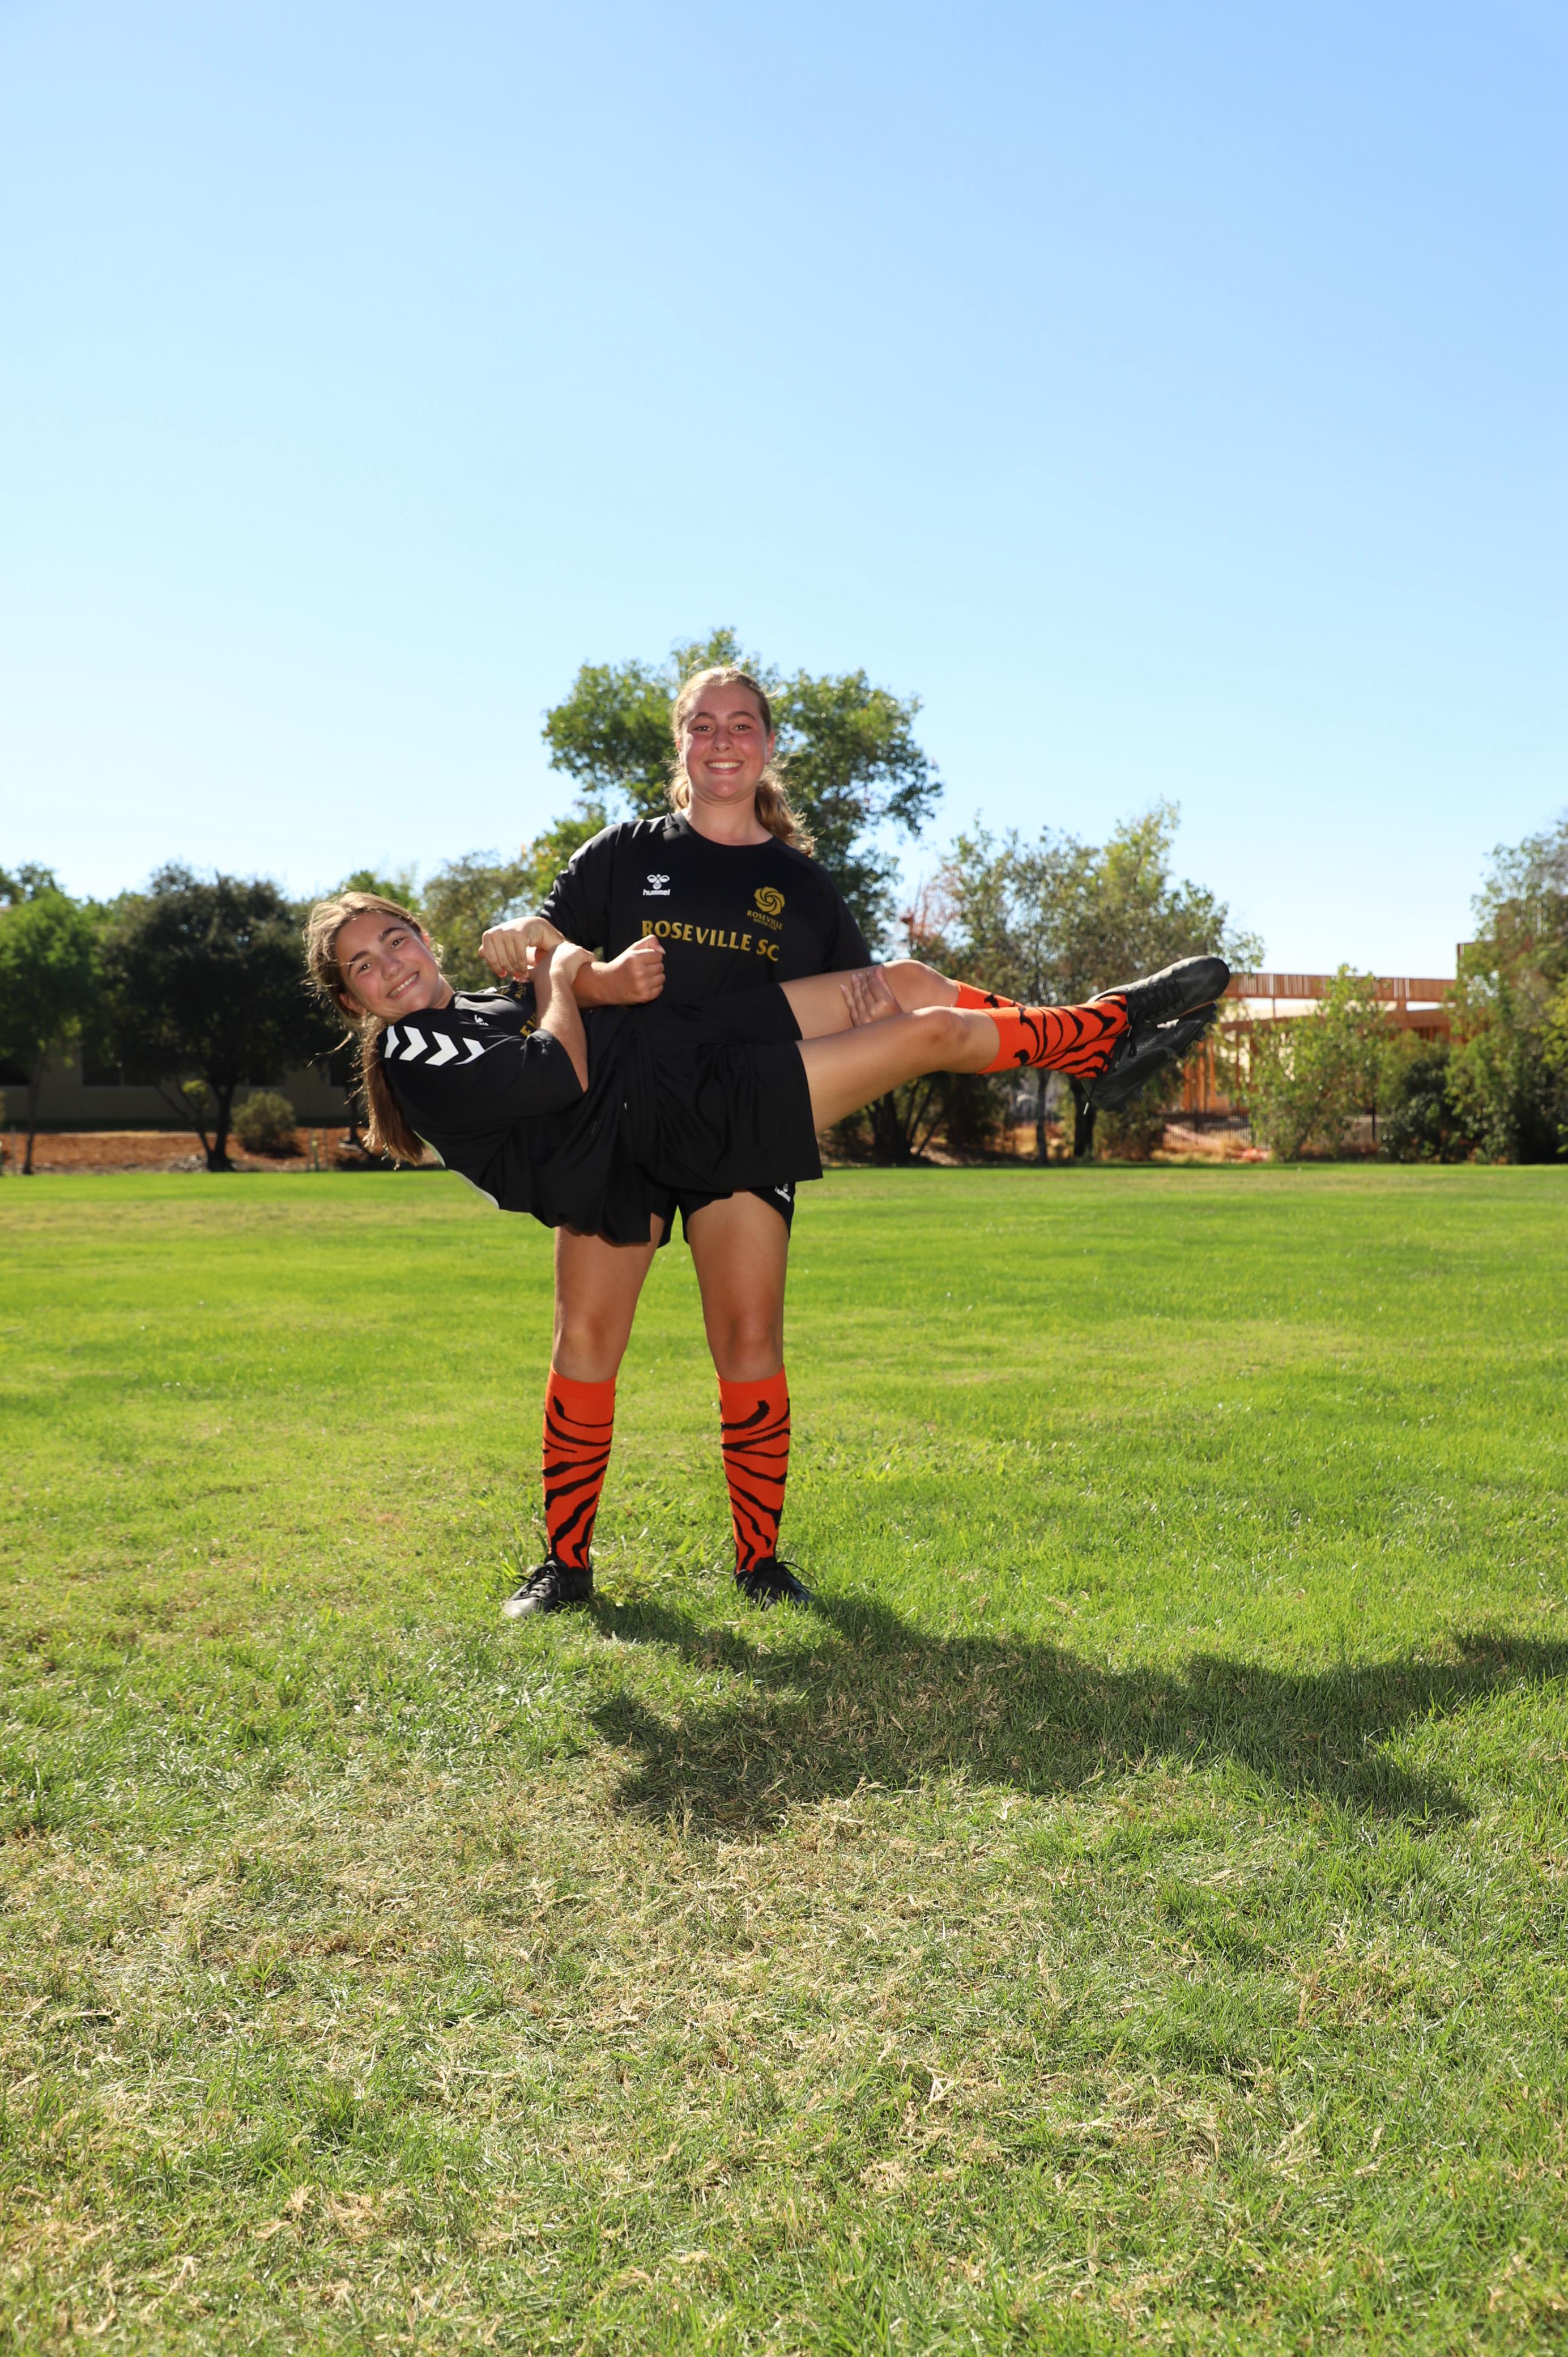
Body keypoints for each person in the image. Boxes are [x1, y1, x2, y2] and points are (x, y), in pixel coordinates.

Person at [304, 886, 1225, 1613]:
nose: (390, 966)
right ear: (350, 1001)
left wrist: (555, 951)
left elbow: (584, 988)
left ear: (426, 939)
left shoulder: (478, 1002)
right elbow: (560, 1065)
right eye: (364, 966)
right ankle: (566, 1565)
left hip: (687, 1071)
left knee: (909, 985)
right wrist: (560, 970)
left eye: (397, 941)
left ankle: (758, 1562)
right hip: (631, 1150)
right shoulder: (412, 1051)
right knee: (585, 1351)